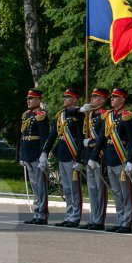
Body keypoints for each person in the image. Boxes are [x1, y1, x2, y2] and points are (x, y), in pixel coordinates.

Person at [94, 87, 132, 233]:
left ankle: (126, 222)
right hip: (110, 158)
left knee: (125, 193)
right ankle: (120, 219)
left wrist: (131, 159)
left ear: (122, 99)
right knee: (116, 193)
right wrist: (94, 157)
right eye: (111, 97)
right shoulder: (108, 116)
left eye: (115, 97)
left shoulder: (127, 116)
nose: (111, 99)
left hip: (122, 158)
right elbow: (102, 137)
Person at [41, 88, 85, 227]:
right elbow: (53, 135)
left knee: (74, 188)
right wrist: (45, 152)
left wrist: (79, 159)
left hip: (72, 155)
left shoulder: (79, 115)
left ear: (74, 100)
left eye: (68, 97)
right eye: (65, 97)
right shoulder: (61, 115)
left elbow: (81, 136)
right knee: (66, 187)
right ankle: (69, 215)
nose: (65, 99)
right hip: (62, 154)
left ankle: (75, 217)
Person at [78, 87, 109, 230]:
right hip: (89, 155)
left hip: (99, 155)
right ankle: (93, 218)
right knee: (91, 189)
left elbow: (104, 137)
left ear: (102, 100)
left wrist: (90, 143)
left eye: (95, 97)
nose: (91, 99)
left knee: (99, 189)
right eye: (91, 97)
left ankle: (99, 220)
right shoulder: (89, 115)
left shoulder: (105, 115)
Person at [20, 88, 50, 225]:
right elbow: (23, 137)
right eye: (27, 99)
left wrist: (43, 155)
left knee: (40, 186)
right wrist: (22, 155)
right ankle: (37, 212)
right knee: (34, 186)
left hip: (37, 155)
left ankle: (42, 214)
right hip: (28, 154)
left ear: (38, 100)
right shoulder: (26, 115)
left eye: (31, 99)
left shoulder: (41, 115)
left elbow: (44, 137)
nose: (28, 101)